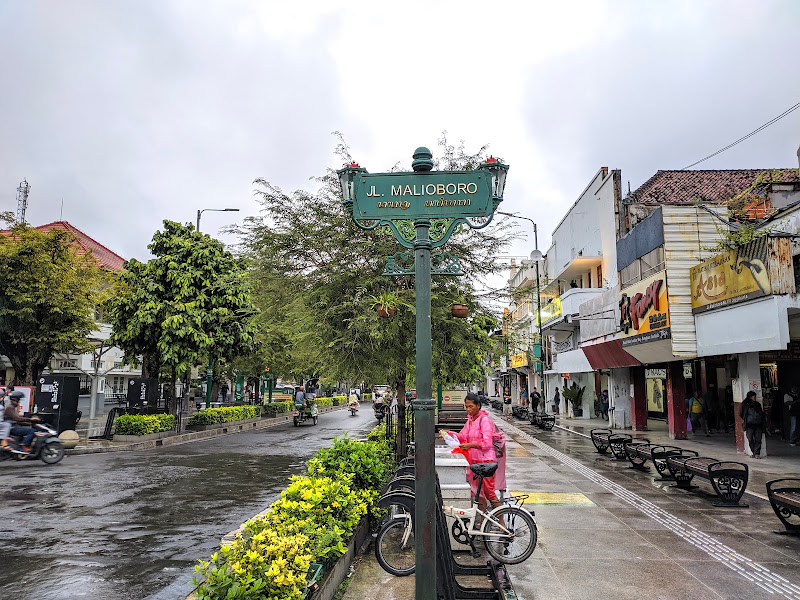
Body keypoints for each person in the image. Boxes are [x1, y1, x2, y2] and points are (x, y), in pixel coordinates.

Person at [455, 393, 505, 515]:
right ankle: (483, 520)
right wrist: (449, 434)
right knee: (479, 492)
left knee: (489, 493)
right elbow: (462, 435)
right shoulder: (471, 421)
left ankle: (502, 522)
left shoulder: (485, 420)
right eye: (466, 406)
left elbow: (487, 442)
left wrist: (470, 445)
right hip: (475, 462)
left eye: (470, 406)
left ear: (478, 405)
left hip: (486, 462)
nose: (468, 409)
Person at [740, 391, 765, 458]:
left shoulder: (758, 404)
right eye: (754, 396)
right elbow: (741, 413)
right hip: (749, 425)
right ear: (750, 397)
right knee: (750, 438)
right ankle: (753, 452)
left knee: (758, 439)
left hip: (758, 424)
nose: (755, 398)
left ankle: (757, 453)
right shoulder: (745, 404)